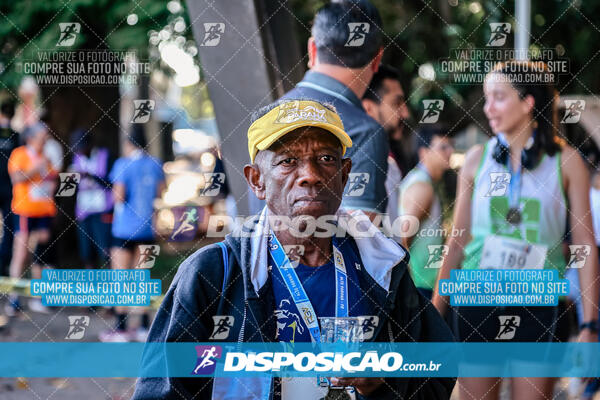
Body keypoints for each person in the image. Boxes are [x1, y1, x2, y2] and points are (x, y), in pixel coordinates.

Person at [132, 99, 455, 399]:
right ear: (256, 180)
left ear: (344, 176)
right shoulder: (212, 275)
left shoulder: (381, 268)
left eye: (326, 159)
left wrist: (383, 382)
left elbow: (438, 370)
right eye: (288, 161)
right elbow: (162, 390)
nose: (310, 176)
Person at [432, 61, 599, 400]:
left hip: (539, 301)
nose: (487, 108)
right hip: (477, 297)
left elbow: (585, 244)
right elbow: (458, 239)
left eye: (498, 97)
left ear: (527, 102)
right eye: (486, 97)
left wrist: (590, 325)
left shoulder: (567, 162)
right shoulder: (477, 159)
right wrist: (436, 311)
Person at [282, 0, 387, 220]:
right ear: (377, 59)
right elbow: (360, 233)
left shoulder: (266, 115)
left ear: (312, 49)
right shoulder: (363, 131)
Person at [99, 125, 165, 342]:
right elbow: (160, 191)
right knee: (141, 277)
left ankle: (121, 328)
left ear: (129, 144)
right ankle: (144, 326)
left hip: (124, 228)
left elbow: (118, 197)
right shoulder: (155, 164)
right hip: (147, 227)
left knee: (121, 277)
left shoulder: (123, 165)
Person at [5, 122, 58, 315]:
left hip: (44, 211)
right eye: (42, 136)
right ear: (31, 138)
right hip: (25, 211)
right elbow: (16, 179)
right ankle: (14, 297)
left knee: (41, 252)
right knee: (21, 252)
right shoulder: (19, 154)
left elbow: (53, 179)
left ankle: (39, 297)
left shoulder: (46, 156)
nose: (45, 139)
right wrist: (36, 169)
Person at [399, 127, 453, 299]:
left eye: (451, 146)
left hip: (424, 284)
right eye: (443, 147)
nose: (450, 152)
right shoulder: (423, 187)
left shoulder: (427, 182)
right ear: (424, 152)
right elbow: (403, 238)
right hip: (419, 286)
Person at [361, 64, 410, 222]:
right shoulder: (358, 168)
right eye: (396, 104)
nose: (405, 113)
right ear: (369, 109)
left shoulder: (389, 163)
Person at [69, 129, 114, 268]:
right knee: (86, 252)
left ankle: (109, 283)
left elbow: (112, 183)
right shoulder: (76, 159)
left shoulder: (105, 156)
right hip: (84, 211)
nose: (79, 151)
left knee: (105, 250)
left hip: (103, 210)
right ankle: (92, 285)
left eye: (82, 148)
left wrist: (89, 175)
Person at [0, 101, 19, 276]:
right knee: (9, 229)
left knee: (9, 228)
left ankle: (3, 263)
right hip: (9, 188)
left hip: (10, 189)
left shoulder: (16, 136)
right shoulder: (15, 136)